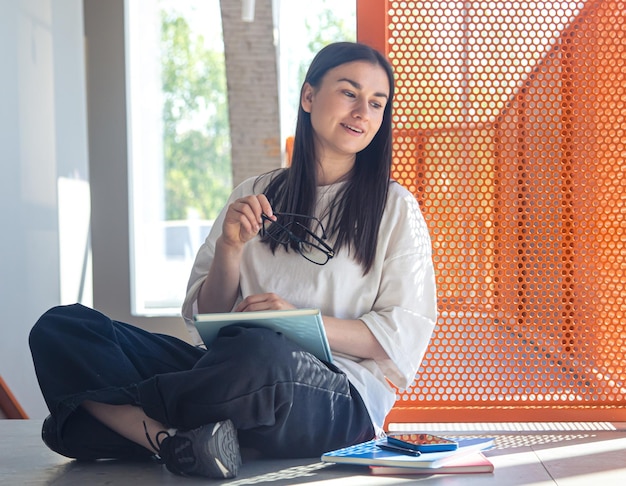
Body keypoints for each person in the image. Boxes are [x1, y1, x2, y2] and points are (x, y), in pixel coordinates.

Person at [29, 41, 437, 479]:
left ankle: (112, 417)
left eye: (377, 103)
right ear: (308, 96)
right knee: (64, 328)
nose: (363, 112)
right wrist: (229, 248)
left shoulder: (396, 207)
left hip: (332, 395)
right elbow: (207, 318)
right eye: (350, 93)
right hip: (229, 375)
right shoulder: (253, 192)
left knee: (261, 353)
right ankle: (178, 440)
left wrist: (298, 320)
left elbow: (401, 332)